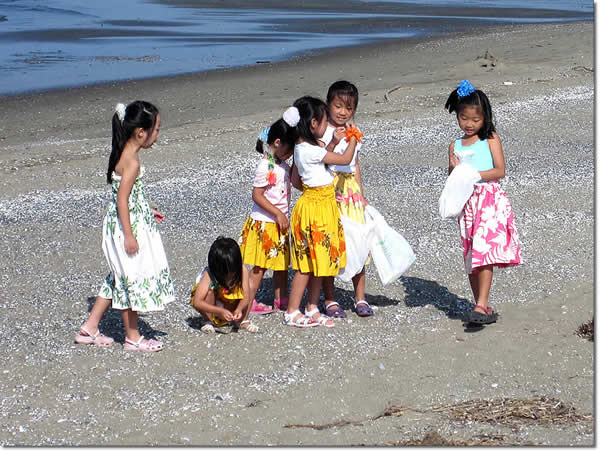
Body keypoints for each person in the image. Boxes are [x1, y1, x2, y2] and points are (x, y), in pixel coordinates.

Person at [74, 101, 175, 352]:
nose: (158, 135)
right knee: (130, 278)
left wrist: (147, 209)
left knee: (118, 277)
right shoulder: (132, 162)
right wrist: (129, 235)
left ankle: (90, 327)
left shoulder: (123, 153)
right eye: (157, 129)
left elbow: (127, 194)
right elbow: (122, 200)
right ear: (141, 132)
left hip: (120, 221)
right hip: (125, 227)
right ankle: (132, 336)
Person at [445, 80, 523, 324]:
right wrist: (455, 170)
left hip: (489, 199)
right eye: (464, 118)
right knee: (470, 253)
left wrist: (474, 174)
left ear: (484, 118)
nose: (469, 124)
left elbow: (500, 170)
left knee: (484, 250)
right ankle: (482, 305)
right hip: (467, 203)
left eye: (475, 120)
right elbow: (452, 178)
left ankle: (480, 304)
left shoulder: (490, 138)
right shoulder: (455, 145)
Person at [284, 96, 359, 328]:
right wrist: (354, 137)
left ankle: (312, 306)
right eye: (325, 121)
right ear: (313, 123)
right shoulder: (310, 150)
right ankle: (292, 310)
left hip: (319, 204)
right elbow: (346, 159)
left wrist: (325, 190)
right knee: (306, 265)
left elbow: (299, 179)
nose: (328, 126)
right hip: (315, 211)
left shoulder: (304, 148)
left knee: (321, 261)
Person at [318, 80, 373, 318]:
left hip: (350, 191)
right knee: (332, 243)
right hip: (330, 190)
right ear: (328, 104)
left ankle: (360, 298)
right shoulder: (321, 129)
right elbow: (320, 158)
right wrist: (334, 141)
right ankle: (330, 299)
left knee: (360, 243)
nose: (342, 112)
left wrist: (361, 194)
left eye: (348, 108)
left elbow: (355, 164)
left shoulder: (354, 131)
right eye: (338, 106)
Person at [239, 110, 298, 315]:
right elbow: (257, 195)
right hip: (265, 222)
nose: (290, 154)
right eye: (289, 150)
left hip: (278, 223)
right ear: (277, 142)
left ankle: (280, 299)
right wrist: (279, 213)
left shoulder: (281, 164)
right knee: (260, 267)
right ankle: (248, 301)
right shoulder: (265, 166)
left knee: (281, 264)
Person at [190, 236, 258, 333]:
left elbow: (246, 297)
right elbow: (197, 302)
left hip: (230, 303)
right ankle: (208, 321)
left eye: (233, 270)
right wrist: (219, 311)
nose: (230, 274)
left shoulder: (242, 270)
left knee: (250, 286)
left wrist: (239, 309)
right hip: (215, 306)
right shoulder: (209, 273)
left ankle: (243, 320)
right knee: (208, 293)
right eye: (226, 272)